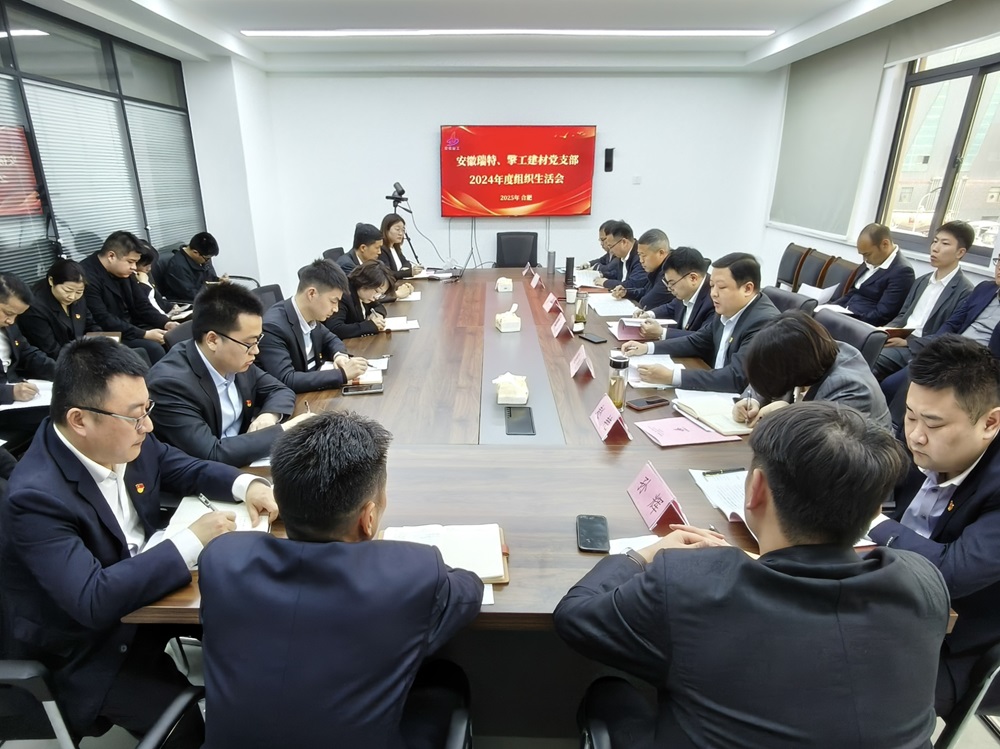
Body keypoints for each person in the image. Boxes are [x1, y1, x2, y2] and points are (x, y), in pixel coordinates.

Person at [554, 402, 948, 749]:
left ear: (756, 488)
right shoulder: (922, 582)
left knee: (609, 692)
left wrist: (642, 556)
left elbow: (576, 616)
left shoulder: (690, 586)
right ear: (873, 510)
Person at [0, 336, 278, 741]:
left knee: (255, 631)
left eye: (147, 409)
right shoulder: (36, 497)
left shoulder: (121, 439)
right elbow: (93, 600)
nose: (147, 426)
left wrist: (246, 485)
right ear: (80, 420)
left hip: (144, 599)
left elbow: (182, 467)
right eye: (135, 416)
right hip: (90, 649)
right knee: (187, 727)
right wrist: (192, 540)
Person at [199, 411, 483, 749]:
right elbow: (470, 589)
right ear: (368, 518)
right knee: (444, 677)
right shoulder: (413, 572)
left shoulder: (223, 558)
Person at [868, 335, 1000, 715]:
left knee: (841, 689)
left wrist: (869, 517)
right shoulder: (925, 439)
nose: (915, 435)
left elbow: (949, 572)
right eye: (910, 416)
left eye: (933, 424)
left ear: (990, 422)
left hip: (956, 647)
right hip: (897, 598)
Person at [147, 282, 304, 467]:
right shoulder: (169, 385)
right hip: (207, 475)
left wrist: (269, 416)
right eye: (249, 343)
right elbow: (211, 453)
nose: (256, 351)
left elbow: (279, 390)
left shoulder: (237, 359)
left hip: (243, 458)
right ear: (213, 340)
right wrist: (283, 431)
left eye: (257, 340)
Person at [622, 252, 779, 392]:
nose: (713, 294)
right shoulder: (727, 308)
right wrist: (647, 347)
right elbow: (697, 341)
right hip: (713, 389)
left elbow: (735, 377)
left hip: (738, 404)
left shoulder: (763, 322)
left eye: (721, 287)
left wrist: (672, 376)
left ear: (747, 289)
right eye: (712, 286)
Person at [733, 311, 891, 429]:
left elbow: (823, 445)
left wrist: (787, 414)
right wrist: (751, 401)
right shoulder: (807, 350)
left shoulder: (849, 388)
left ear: (791, 370)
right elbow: (768, 368)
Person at [880, 258, 1000, 409]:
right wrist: (937, 346)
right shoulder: (984, 288)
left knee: (916, 397)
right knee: (891, 385)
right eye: (999, 261)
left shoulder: (965, 287)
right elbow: (952, 323)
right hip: (951, 349)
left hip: (980, 364)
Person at [873, 221, 975, 381]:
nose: (935, 248)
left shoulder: (965, 291)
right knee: (853, 349)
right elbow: (903, 316)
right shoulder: (922, 281)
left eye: (945, 243)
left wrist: (907, 343)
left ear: (960, 252)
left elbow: (949, 335)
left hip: (922, 349)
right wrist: (882, 331)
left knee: (870, 361)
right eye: (935, 241)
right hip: (900, 338)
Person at [257, 259, 368, 393]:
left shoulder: (311, 316)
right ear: (311, 293)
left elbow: (331, 339)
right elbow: (286, 379)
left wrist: (339, 356)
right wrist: (342, 374)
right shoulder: (273, 327)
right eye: (333, 301)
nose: (336, 309)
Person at [81, 231, 177, 364]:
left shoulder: (123, 270)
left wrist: (165, 322)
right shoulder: (87, 276)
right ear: (111, 256)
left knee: (172, 337)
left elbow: (141, 304)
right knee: (154, 348)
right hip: (107, 333)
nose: (134, 267)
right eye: (131, 262)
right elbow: (102, 318)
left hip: (130, 324)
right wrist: (144, 334)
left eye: (136, 262)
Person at [0, 272, 56, 443]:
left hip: (17, 388)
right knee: (59, 416)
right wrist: (10, 392)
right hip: (5, 400)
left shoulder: (8, 325)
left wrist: (63, 372)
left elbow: (27, 353)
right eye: (8, 313)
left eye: (16, 316)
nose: (11, 321)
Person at [828, 222, 915, 326]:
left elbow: (882, 315)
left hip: (861, 325)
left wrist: (846, 320)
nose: (865, 260)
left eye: (867, 254)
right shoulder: (872, 261)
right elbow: (853, 293)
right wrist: (828, 309)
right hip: (845, 316)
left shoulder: (902, 272)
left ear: (885, 244)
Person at [20, 258, 102, 360]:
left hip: (80, 352)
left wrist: (100, 341)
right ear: (51, 281)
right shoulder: (35, 308)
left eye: (79, 292)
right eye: (67, 290)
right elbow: (50, 349)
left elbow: (90, 324)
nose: (72, 297)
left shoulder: (77, 296)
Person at [634, 247, 714, 340]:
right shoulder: (685, 292)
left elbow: (703, 338)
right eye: (667, 283)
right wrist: (648, 314)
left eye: (672, 283)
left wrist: (661, 332)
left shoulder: (714, 300)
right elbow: (671, 307)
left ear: (693, 278)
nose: (669, 288)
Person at [325, 260, 394, 340]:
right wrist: (370, 325)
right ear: (365, 282)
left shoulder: (364, 295)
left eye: (381, 294)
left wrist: (378, 314)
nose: (376, 297)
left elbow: (378, 305)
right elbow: (335, 328)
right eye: (376, 291)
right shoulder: (344, 295)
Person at [610, 228, 673, 311]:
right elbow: (646, 291)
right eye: (639, 255)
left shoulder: (671, 271)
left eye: (644, 256)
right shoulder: (657, 267)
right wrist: (626, 292)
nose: (641, 260)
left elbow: (647, 303)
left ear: (661, 253)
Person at [158, 231, 224, 303]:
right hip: (189, 303)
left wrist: (219, 281)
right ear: (195, 252)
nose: (208, 261)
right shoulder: (178, 267)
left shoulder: (201, 259)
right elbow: (191, 295)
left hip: (204, 297)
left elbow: (210, 278)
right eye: (207, 259)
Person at [594, 220, 642, 290]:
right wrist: (602, 275)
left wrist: (605, 282)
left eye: (611, 246)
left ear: (624, 242)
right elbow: (617, 274)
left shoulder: (640, 256)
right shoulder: (622, 255)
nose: (611, 251)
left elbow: (633, 284)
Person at [379, 212, 424, 279]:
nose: (401, 233)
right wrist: (408, 272)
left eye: (403, 230)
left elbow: (406, 263)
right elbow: (388, 274)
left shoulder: (395, 248)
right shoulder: (381, 250)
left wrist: (404, 270)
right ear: (386, 230)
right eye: (397, 229)